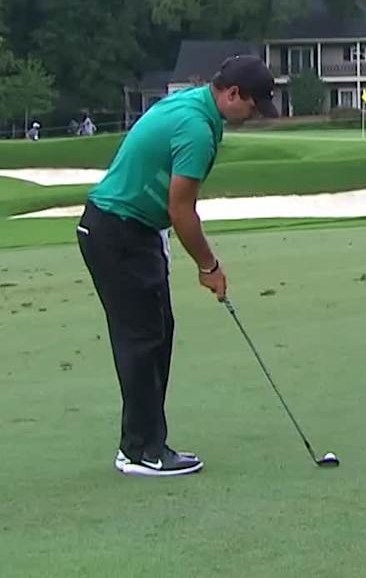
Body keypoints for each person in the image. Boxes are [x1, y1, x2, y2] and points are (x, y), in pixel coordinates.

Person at [76, 54, 277, 477]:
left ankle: (143, 443)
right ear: (232, 93)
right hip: (120, 233)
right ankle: (141, 451)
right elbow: (182, 209)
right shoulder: (197, 129)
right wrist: (209, 266)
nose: (254, 115)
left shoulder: (190, 105)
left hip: (130, 230)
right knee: (143, 341)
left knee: (156, 333)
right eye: (253, 106)